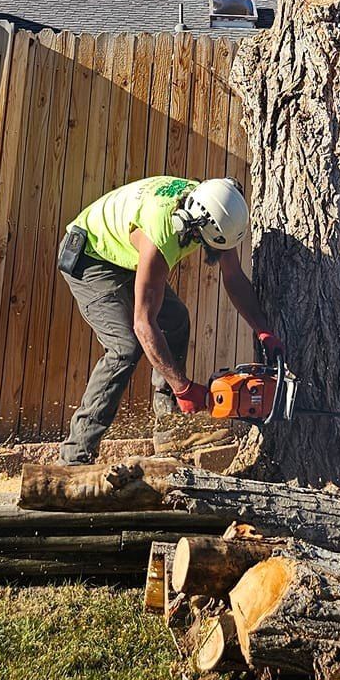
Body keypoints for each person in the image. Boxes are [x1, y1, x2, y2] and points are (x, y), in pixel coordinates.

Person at [55, 174, 281, 464]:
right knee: (125, 347)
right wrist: (183, 386)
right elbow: (143, 324)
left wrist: (264, 331)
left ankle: (169, 428)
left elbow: (234, 277)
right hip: (90, 256)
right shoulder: (162, 235)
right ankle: (76, 454)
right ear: (195, 229)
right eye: (213, 245)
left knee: (174, 320)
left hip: (124, 252)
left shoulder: (212, 206)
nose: (216, 253)